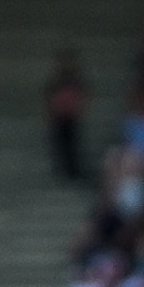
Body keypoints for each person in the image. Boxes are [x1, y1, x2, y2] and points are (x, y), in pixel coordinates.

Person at [46, 49, 90, 186]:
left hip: (71, 116)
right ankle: (63, 170)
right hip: (60, 116)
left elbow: (82, 94)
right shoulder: (57, 79)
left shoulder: (75, 79)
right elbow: (50, 97)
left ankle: (73, 171)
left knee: (72, 145)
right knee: (61, 145)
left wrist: (80, 109)